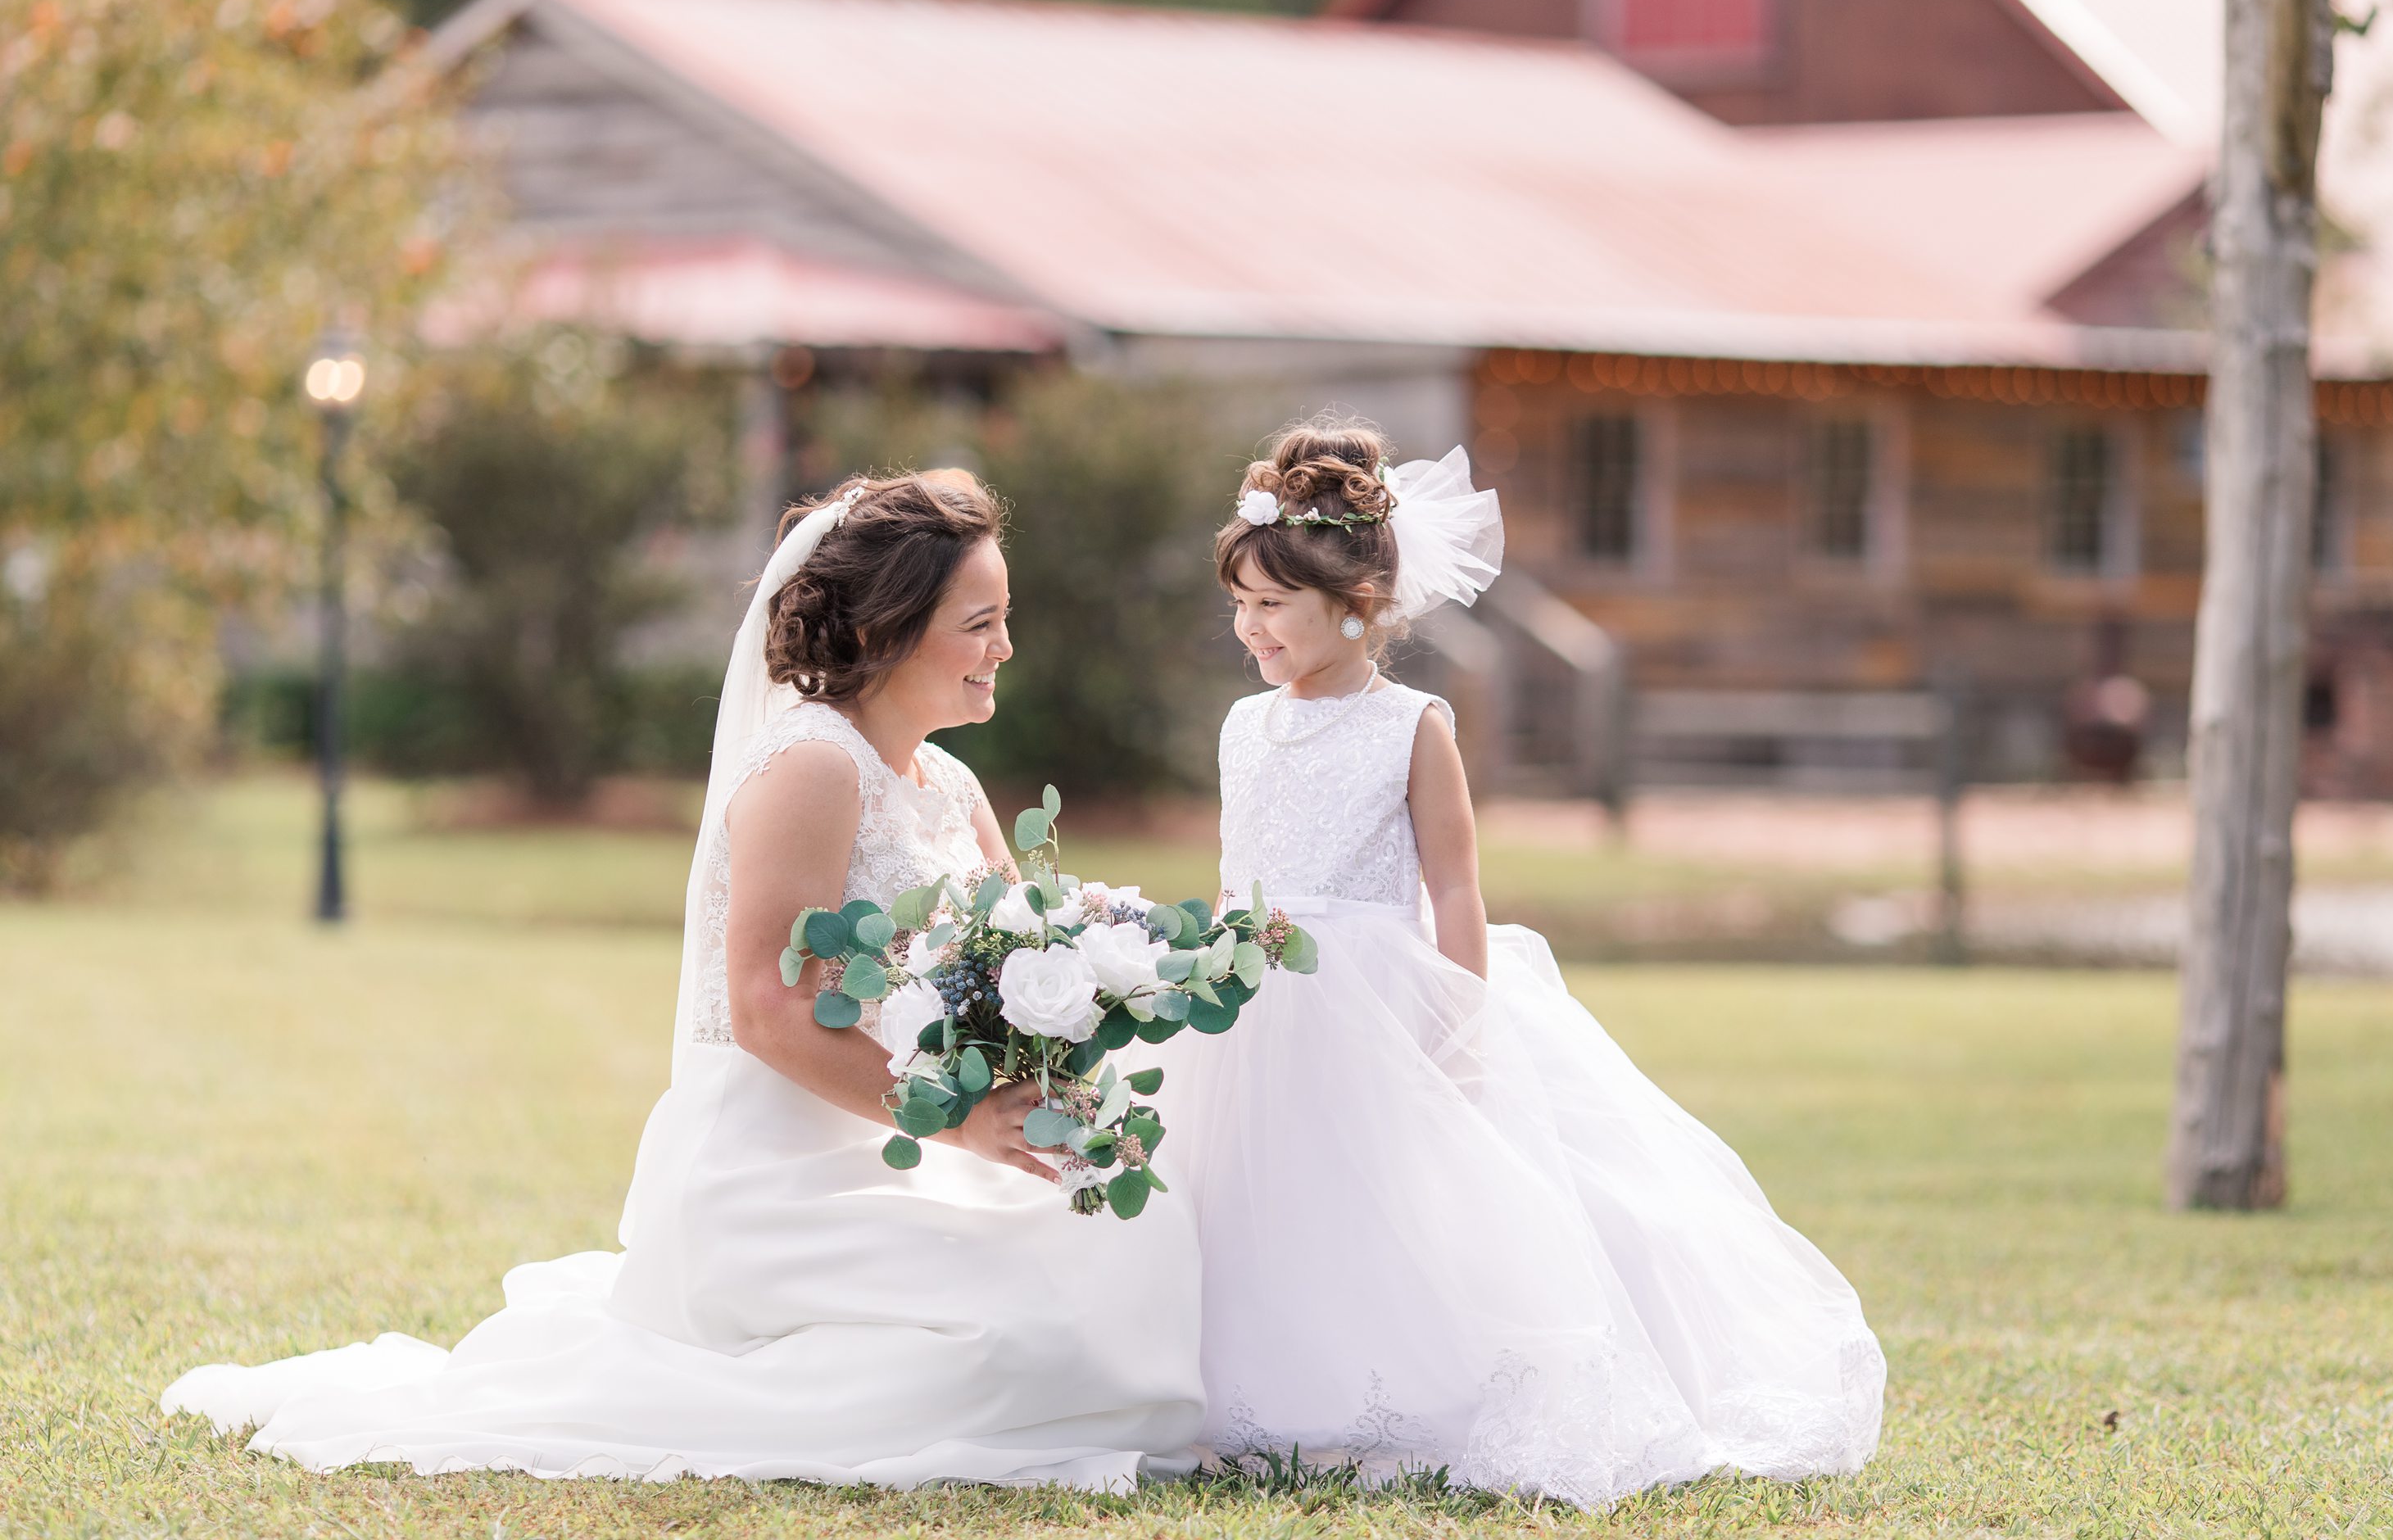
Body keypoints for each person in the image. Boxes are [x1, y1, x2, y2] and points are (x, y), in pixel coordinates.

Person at [161, 470, 1204, 1488]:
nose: (1005, 648)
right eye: (980, 622)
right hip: (779, 1177)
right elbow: (764, 1006)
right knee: (1027, 1331)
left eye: (1003, 617)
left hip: (918, 1144)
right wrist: (962, 1123)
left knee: (1123, 1238)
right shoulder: (812, 763)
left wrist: (1062, 1069)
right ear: (888, 628)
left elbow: (1018, 968)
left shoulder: (955, 781)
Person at [1166, 416, 1886, 1508]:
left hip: (1375, 993)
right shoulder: (1240, 725)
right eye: (1241, 605)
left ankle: (1389, 1391)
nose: (1249, 628)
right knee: (1254, 1190)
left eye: (1273, 606)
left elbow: (1454, 885)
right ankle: (1249, 1391)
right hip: (1252, 996)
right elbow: (1237, 872)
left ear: (1354, 605)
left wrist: (1458, 1025)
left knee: (1377, 1193)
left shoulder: (1411, 723)